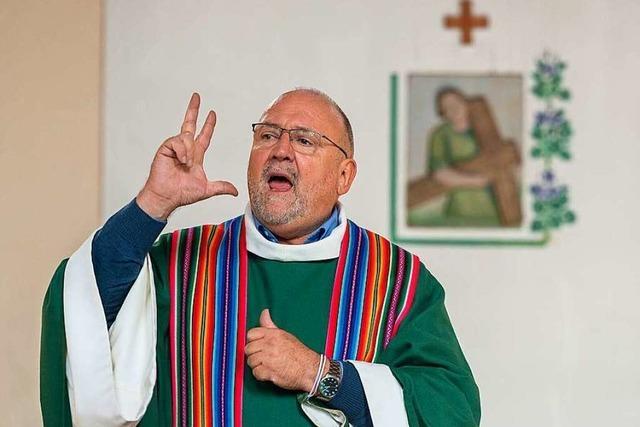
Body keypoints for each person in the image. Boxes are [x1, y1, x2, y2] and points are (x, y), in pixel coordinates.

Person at [40, 89, 481, 426]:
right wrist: (152, 204)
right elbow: (84, 309)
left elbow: (451, 409)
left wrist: (319, 374)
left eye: (306, 141)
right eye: (268, 135)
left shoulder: (395, 281)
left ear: (344, 175)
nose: (281, 150)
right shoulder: (182, 263)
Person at [421, 86, 501, 227]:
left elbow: (502, 159)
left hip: (493, 207)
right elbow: (439, 173)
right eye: (447, 107)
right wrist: (476, 182)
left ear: (466, 103)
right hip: (461, 207)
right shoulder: (440, 135)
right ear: (443, 113)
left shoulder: (483, 127)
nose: (454, 109)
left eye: (457, 103)